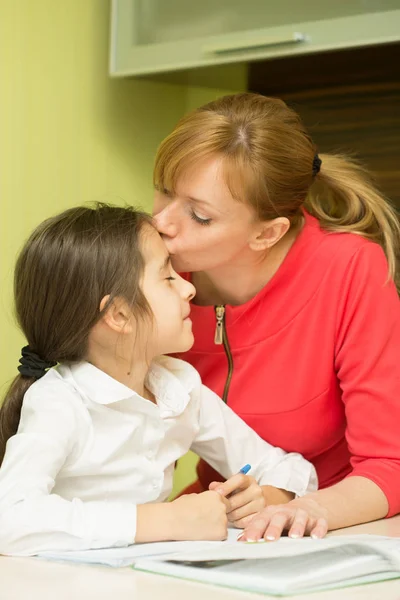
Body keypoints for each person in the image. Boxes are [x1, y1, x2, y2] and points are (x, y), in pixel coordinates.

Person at [0, 203, 317, 556]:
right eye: (168, 277)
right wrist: (163, 520)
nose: (188, 289)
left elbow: (289, 468)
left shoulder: (179, 386)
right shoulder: (59, 402)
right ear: (119, 314)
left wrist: (266, 496)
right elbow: (10, 520)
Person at [152, 92, 400, 542]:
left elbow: (391, 465)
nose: (163, 221)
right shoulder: (154, 275)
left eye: (200, 215)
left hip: (335, 521)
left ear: (268, 233)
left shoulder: (350, 271)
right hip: (230, 518)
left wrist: (299, 509)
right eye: (164, 191)